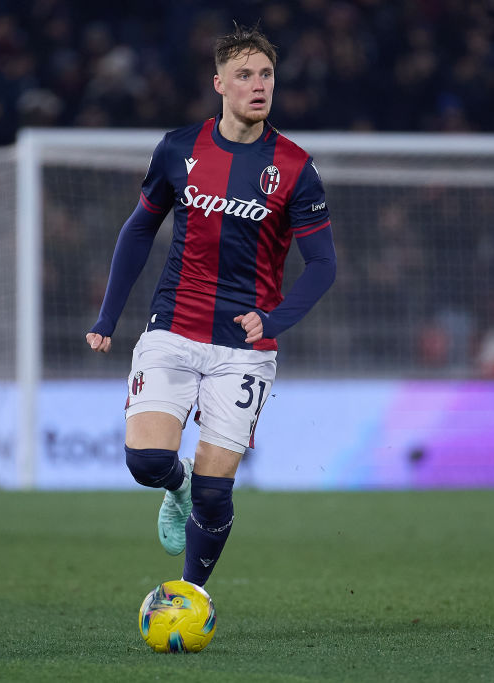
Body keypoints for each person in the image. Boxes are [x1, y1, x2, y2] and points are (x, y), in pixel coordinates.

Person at [85, 23, 336, 589]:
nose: (258, 85)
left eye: (266, 74)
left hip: (243, 350)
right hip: (172, 328)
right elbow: (139, 230)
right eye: (244, 74)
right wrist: (107, 316)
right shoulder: (178, 148)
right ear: (218, 82)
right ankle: (177, 490)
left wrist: (274, 320)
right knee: (147, 463)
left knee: (218, 491)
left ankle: (189, 592)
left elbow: (324, 265)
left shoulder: (295, 167)